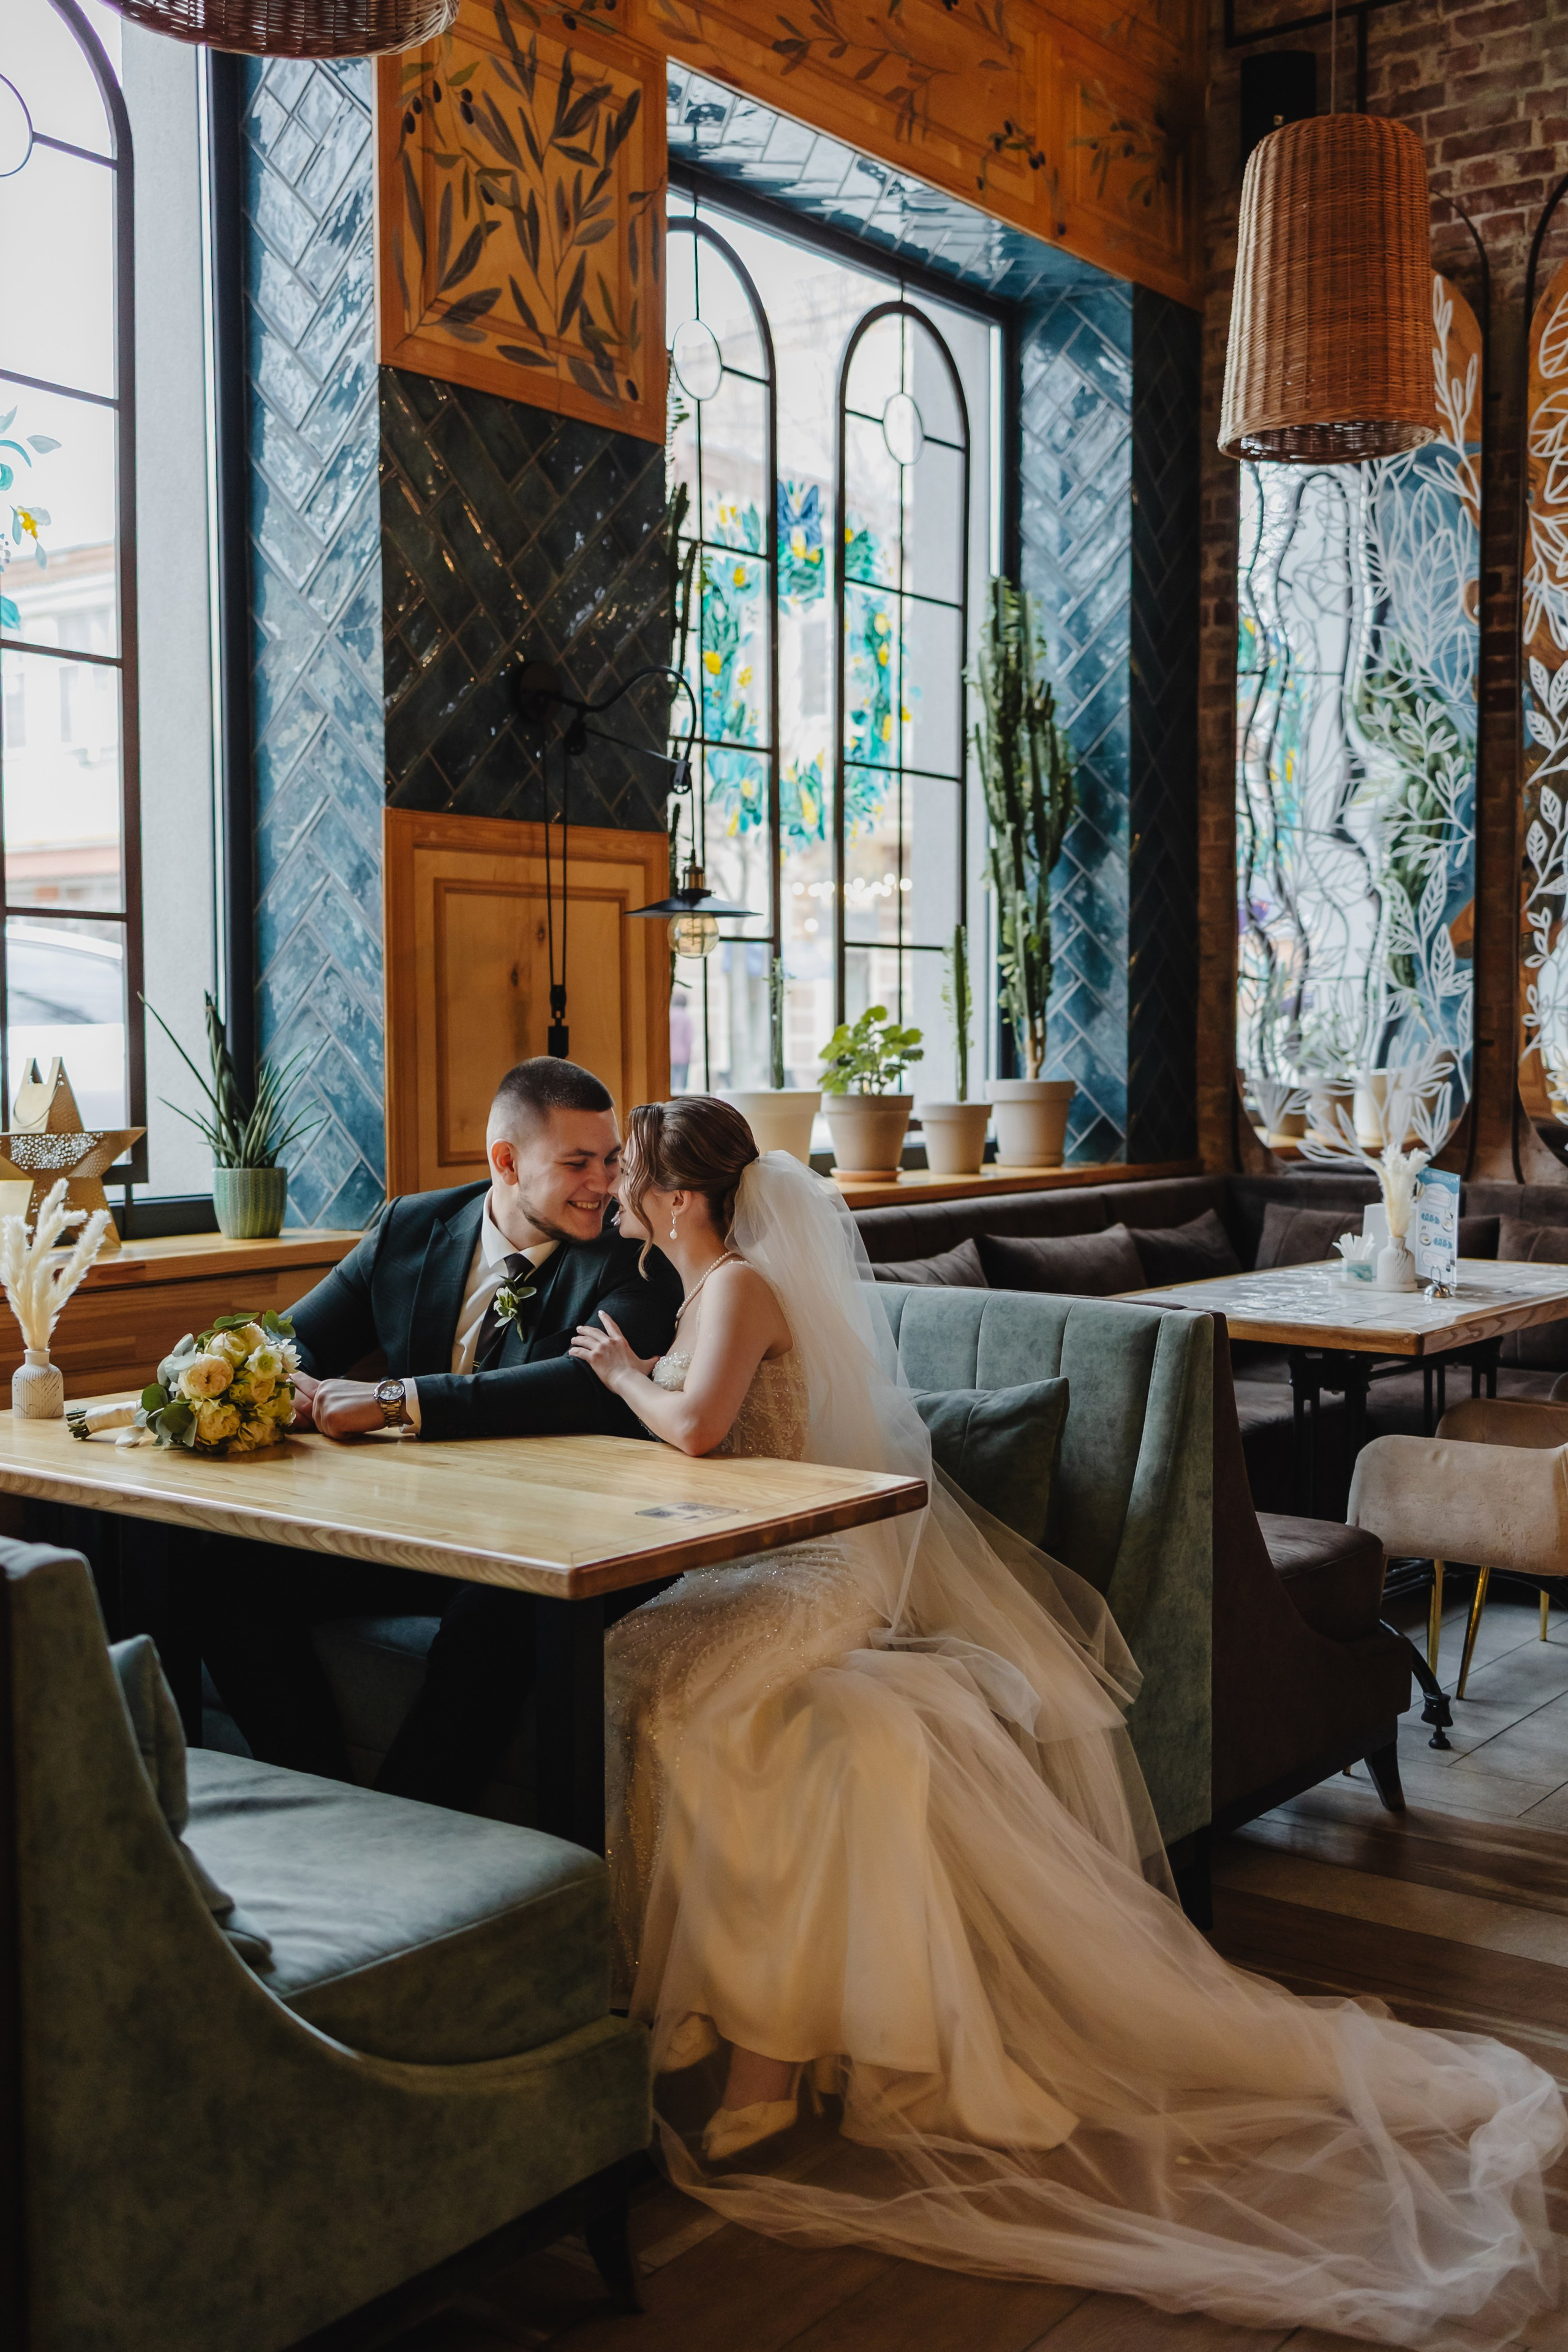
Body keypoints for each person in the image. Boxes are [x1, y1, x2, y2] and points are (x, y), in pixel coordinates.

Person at [570, 1096, 1566, 2351]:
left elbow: (701, 1429)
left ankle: (702, 2009)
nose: (611, 1197)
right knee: (687, 1702)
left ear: (672, 1198)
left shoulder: (730, 1290)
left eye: (627, 1181)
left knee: (644, 1683)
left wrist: (613, 1373)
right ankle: (732, 2010)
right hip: (753, 1564)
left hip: (812, 1576)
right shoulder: (716, 1283)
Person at [194, 1058, 682, 1811]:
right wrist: (257, 1376)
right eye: (578, 1163)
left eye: (612, 1159)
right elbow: (295, 1343)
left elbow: (582, 1389)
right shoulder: (410, 1226)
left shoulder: (635, 1255)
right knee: (222, 1571)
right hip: (416, 1528)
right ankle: (328, 1806)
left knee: (499, 1613)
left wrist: (397, 1400)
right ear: (507, 1162)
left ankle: (403, 1834)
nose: (605, 1183)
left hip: (551, 1534)